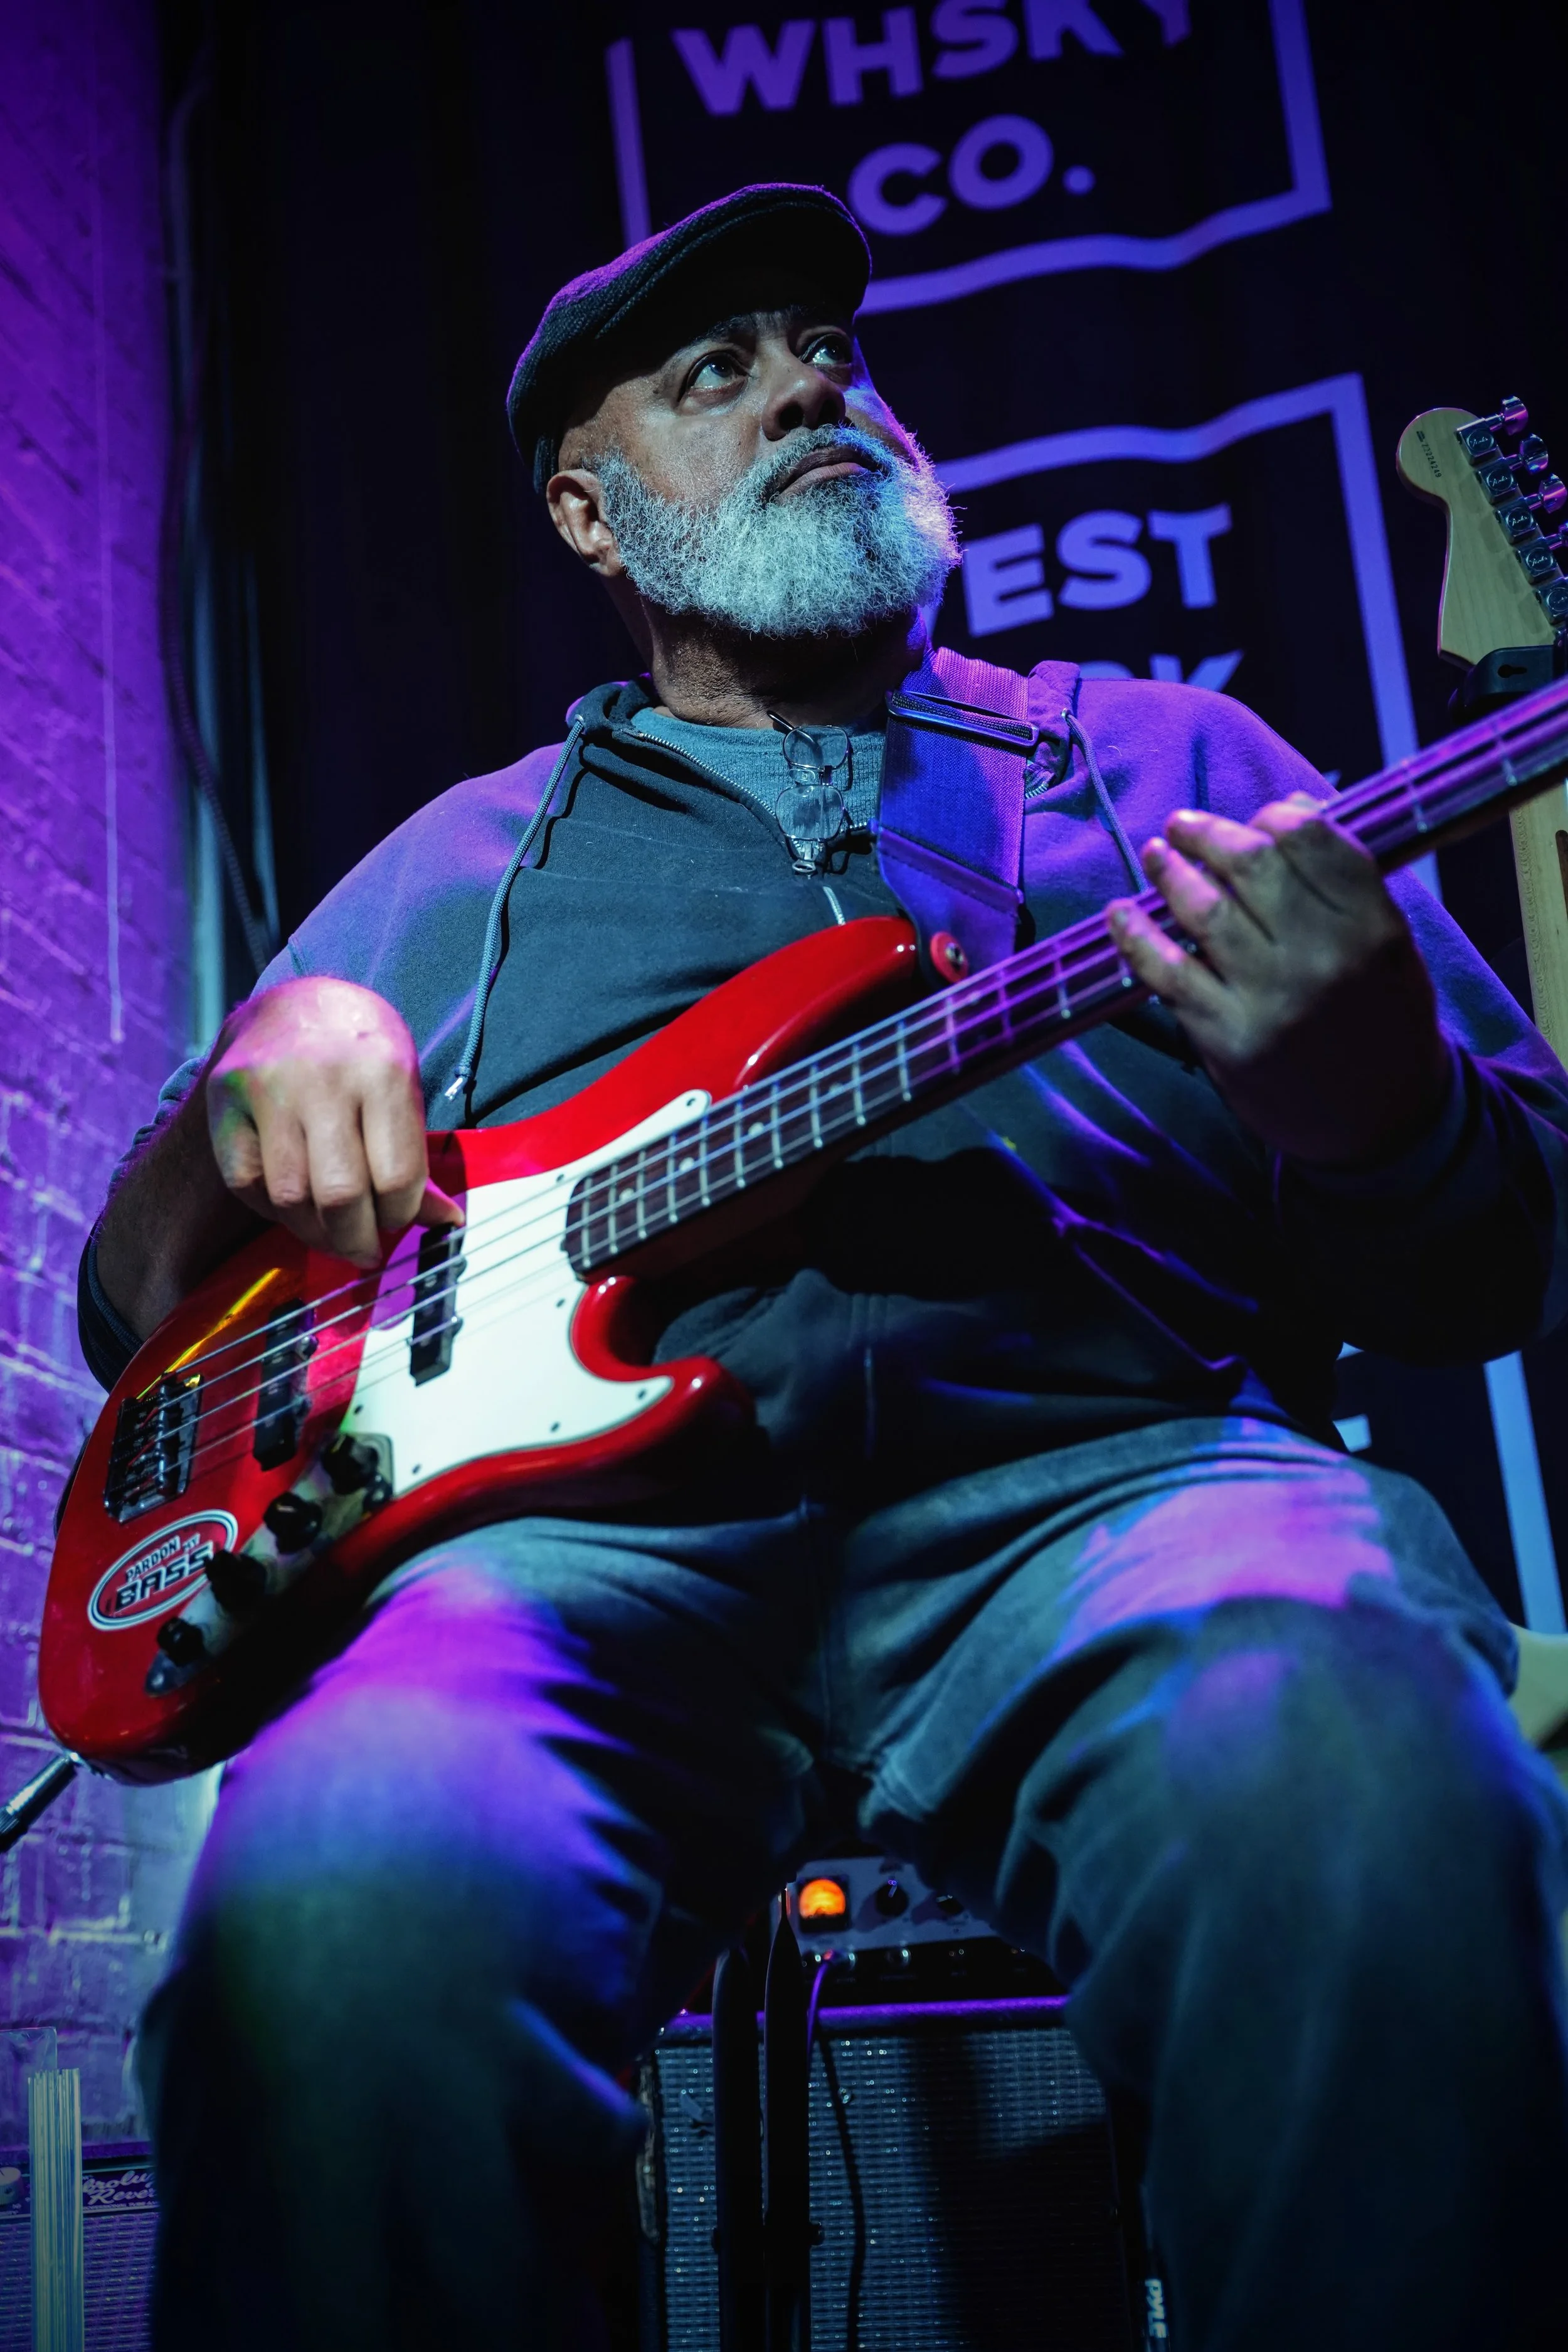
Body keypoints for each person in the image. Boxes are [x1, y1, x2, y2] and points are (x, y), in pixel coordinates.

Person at [81, 184, 1568, 2350]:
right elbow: (133, 1318)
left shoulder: (1170, 763)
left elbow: (1498, 1249)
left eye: (832, 355)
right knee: (342, 1904)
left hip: (1109, 1484)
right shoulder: (460, 862)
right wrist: (247, 1077)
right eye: (721, 371)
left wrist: (1371, 1095)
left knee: (1351, 1775)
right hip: (572, 1559)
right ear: (590, 518)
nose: (812, 386)